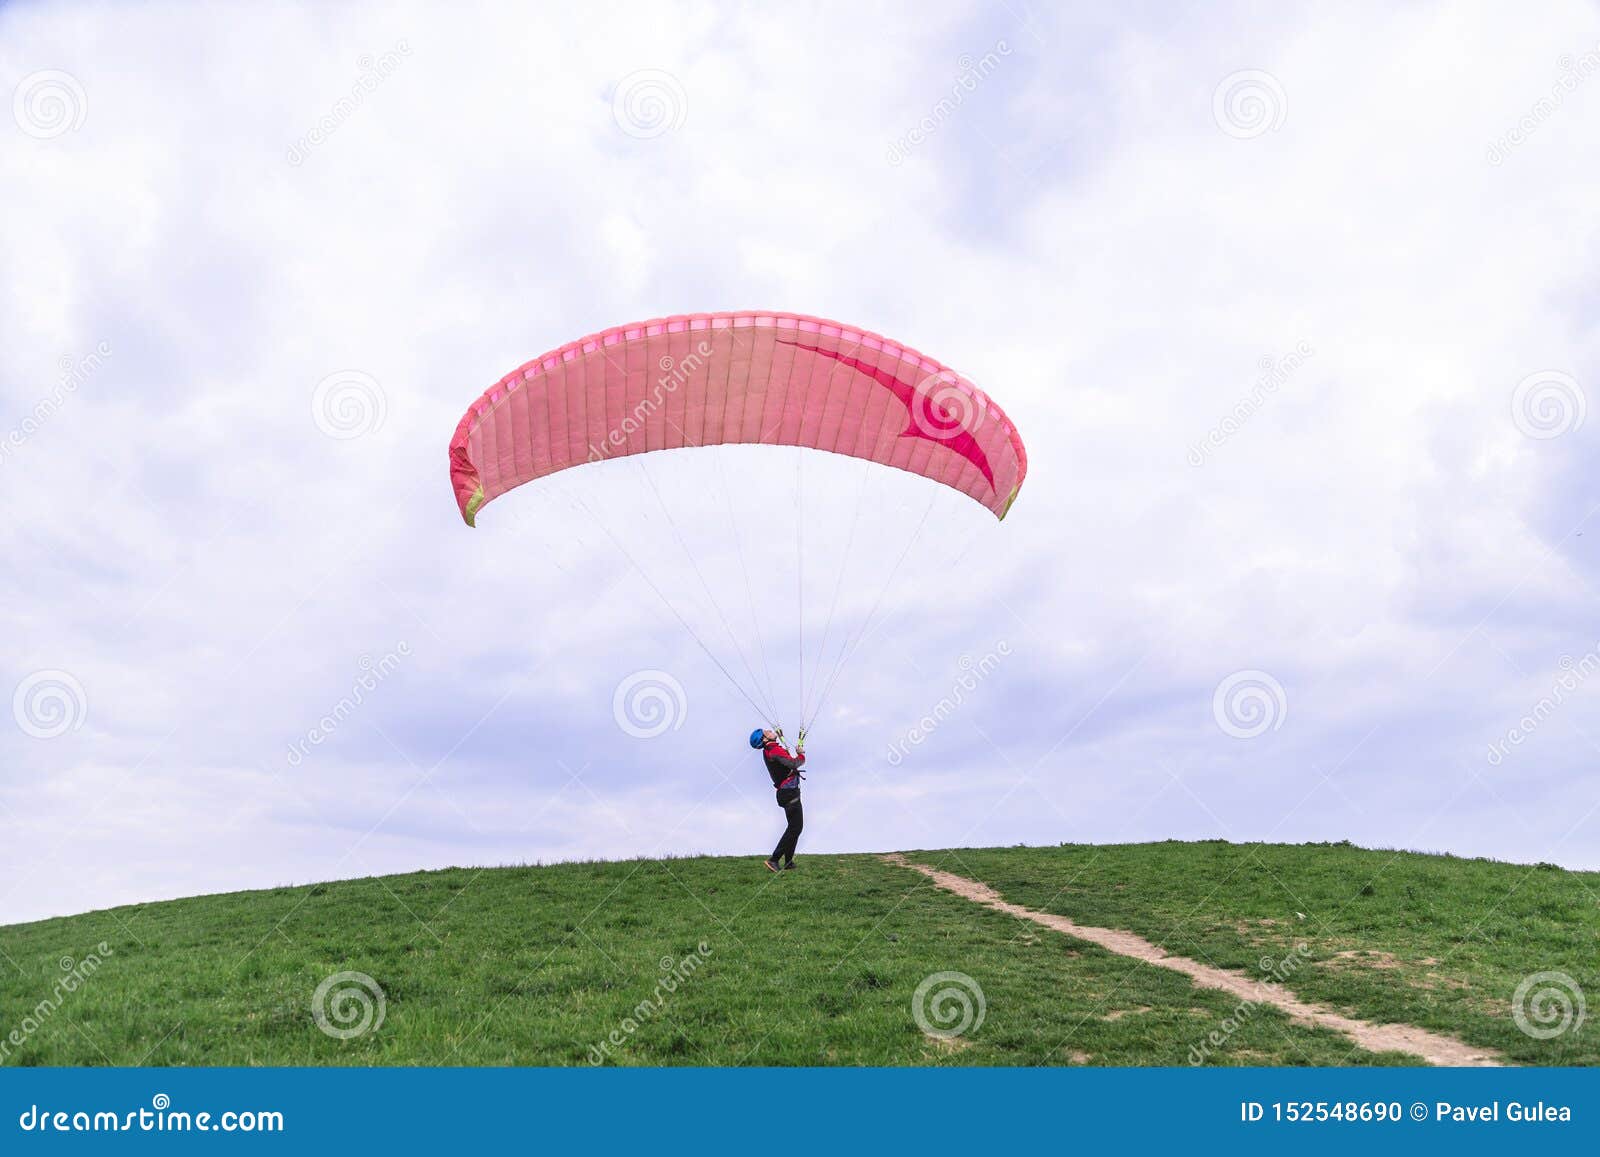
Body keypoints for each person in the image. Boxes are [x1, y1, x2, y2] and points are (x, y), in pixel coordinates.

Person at [751, 726, 806, 871]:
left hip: (787, 792)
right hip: (789, 793)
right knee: (795, 828)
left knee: (795, 827)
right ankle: (774, 859)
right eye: (766, 732)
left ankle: (788, 862)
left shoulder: (771, 750)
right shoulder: (773, 750)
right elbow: (794, 763)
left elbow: (786, 762)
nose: (769, 730)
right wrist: (801, 755)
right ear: (764, 739)